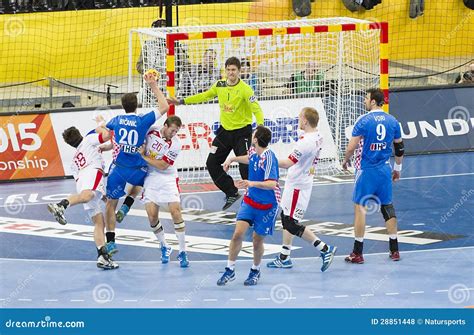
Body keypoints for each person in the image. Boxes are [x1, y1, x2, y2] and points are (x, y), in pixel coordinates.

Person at [168, 57, 264, 210]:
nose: (230, 73)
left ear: (239, 71)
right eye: (228, 70)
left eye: (233, 70)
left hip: (242, 133)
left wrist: (260, 127)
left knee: (245, 166)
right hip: (225, 133)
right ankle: (231, 191)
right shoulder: (219, 85)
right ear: (225, 71)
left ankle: (255, 200)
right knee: (211, 163)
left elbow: (257, 109)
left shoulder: (246, 89)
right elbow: (204, 95)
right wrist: (182, 101)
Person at [101, 71, 169, 256]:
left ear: (123, 107)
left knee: (109, 204)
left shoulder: (115, 120)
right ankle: (127, 205)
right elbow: (164, 106)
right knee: (140, 182)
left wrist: (101, 127)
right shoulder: (142, 120)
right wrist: (153, 85)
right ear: (136, 106)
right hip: (137, 168)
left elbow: (106, 134)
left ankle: (111, 242)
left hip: (119, 168)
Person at [266, 107, 337, 271]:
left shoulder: (306, 142)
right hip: (298, 181)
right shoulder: (317, 136)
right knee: (285, 216)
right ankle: (284, 257)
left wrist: (268, 159)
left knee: (290, 223)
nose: (298, 120)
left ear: (305, 121)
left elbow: (287, 163)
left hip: (298, 185)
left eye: (299, 118)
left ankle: (325, 249)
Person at [342, 88, 405, 264]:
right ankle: (394, 250)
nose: (364, 100)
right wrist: (397, 168)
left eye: (366, 98)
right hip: (384, 170)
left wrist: (345, 160)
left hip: (366, 171)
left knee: (360, 208)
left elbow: (351, 146)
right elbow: (399, 148)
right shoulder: (393, 121)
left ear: (373, 102)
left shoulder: (363, 120)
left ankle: (358, 252)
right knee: (387, 207)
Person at [47, 127, 118, 270]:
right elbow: (106, 135)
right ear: (80, 134)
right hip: (93, 172)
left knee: (99, 222)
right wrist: (101, 124)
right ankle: (61, 205)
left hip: (81, 181)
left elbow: (79, 180)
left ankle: (102, 256)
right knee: (88, 196)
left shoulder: (74, 161)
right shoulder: (89, 139)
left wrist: (100, 191)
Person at [217, 126, 279, 286]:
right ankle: (230, 269)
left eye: (253, 134)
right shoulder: (253, 152)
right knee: (237, 234)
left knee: (257, 241)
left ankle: (255, 270)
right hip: (250, 201)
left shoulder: (269, 157)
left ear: (256, 139)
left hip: (267, 206)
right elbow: (248, 158)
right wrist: (231, 159)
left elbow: (272, 184)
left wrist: (251, 183)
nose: (251, 135)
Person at [138, 115, 190, 267]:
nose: (173, 134)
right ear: (165, 125)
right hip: (151, 177)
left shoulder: (176, 144)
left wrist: (143, 156)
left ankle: (182, 252)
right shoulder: (151, 131)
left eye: (176, 132)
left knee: (176, 212)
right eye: (172, 130)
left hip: (168, 178)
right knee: (152, 217)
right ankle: (164, 246)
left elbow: (162, 166)